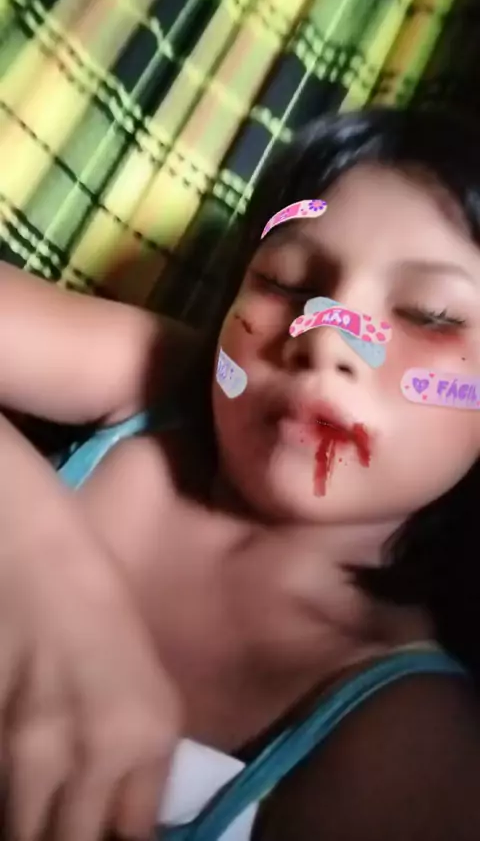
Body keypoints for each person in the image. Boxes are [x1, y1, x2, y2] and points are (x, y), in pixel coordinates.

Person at [1, 106, 480, 841]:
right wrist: (41, 566)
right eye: (285, 282)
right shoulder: (156, 382)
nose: (327, 338)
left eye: (429, 314)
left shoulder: (414, 739)